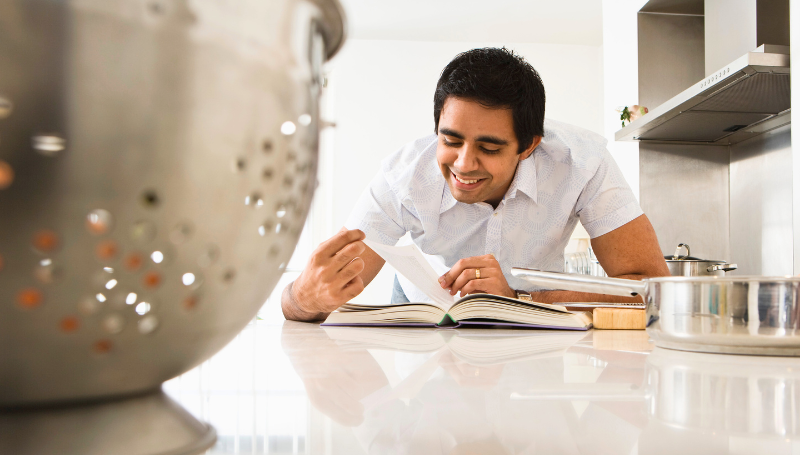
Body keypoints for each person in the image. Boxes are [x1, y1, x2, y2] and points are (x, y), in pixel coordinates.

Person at [282, 47, 669, 322]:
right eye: (450, 141)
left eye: (489, 147)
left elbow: (649, 289)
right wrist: (304, 296)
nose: (464, 164)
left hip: (538, 315)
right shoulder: (403, 178)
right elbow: (299, 304)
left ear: (529, 145)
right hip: (427, 313)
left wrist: (518, 299)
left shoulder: (583, 164)